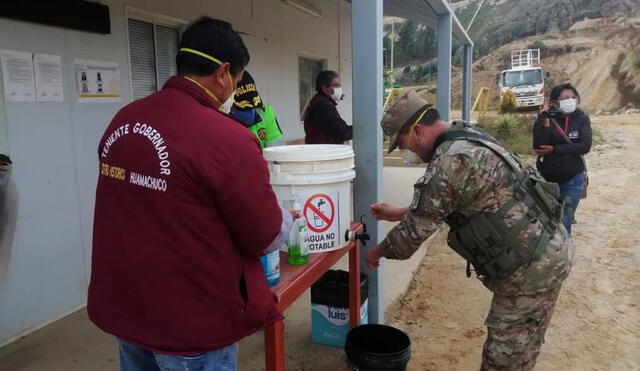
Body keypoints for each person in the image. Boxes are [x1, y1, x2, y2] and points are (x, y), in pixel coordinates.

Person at [88, 17, 297, 371]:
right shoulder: (227, 138)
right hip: (190, 326)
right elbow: (265, 237)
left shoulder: (123, 121)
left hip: (128, 310)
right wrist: (289, 219)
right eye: (238, 81)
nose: (235, 91)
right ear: (223, 73)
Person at [365, 91, 574, 370]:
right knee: (523, 346)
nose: (410, 152)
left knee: (504, 359)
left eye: (405, 145)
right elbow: (456, 201)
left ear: (417, 130)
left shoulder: (448, 162)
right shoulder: (466, 136)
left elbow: (411, 236)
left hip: (531, 269)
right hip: (548, 248)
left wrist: (376, 252)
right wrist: (397, 212)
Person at [533, 83, 591, 235]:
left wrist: (554, 149)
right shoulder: (545, 117)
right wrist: (544, 124)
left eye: (573, 97)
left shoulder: (581, 118)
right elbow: (539, 147)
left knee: (565, 221)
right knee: (544, 220)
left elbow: (584, 146)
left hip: (573, 179)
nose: (570, 101)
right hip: (546, 179)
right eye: (565, 98)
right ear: (554, 102)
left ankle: (562, 254)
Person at [230, 70, 283, 148]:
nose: (250, 112)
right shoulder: (219, 118)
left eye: (253, 106)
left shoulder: (266, 112)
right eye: (243, 108)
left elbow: (277, 151)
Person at [303, 70, 353, 144]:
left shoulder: (318, 100)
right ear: (324, 88)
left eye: (339, 85)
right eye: (336, 85)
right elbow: (340, 132)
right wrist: (360, 128)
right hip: (324, 151)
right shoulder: (323, 105)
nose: (339, 88)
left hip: (320, 150)